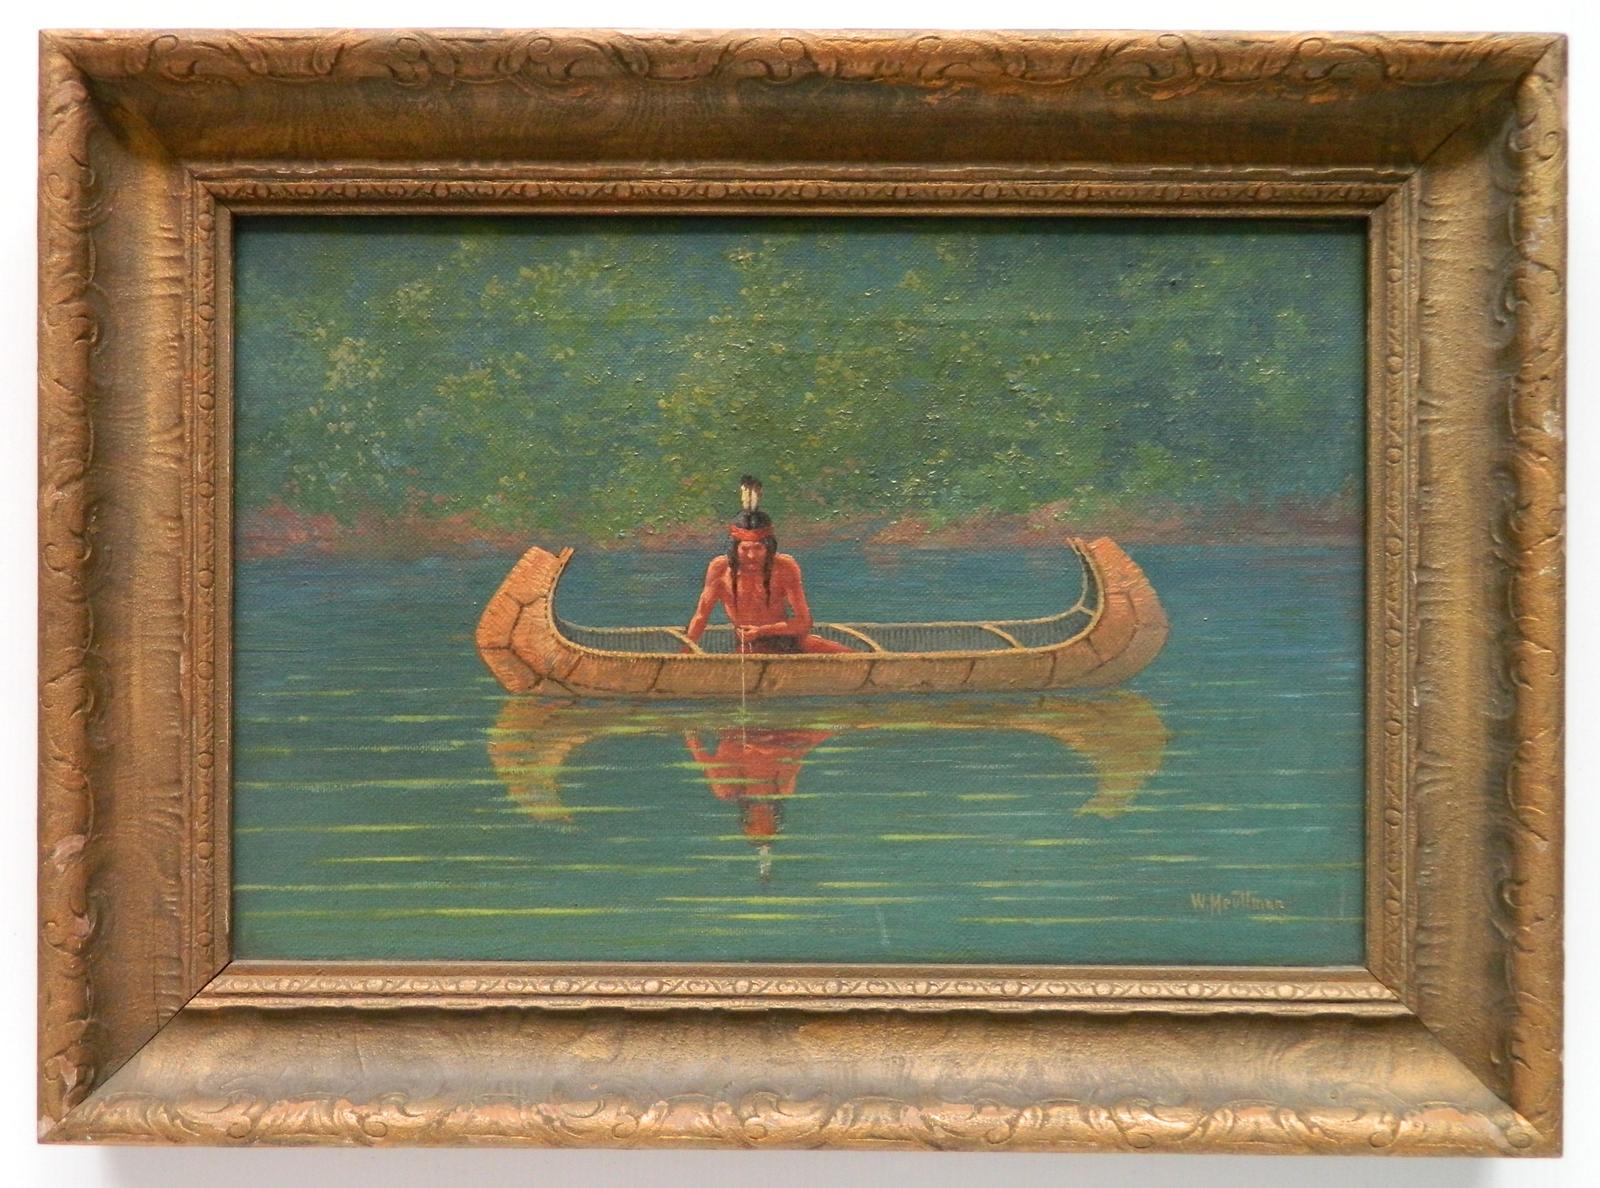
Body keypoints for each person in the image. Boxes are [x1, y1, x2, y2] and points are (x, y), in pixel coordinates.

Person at [681, 475, 855, 654]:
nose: (751, 556)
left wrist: (762, 630)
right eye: (745, 549)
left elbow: (804, 622)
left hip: (791, 641)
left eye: (758, 548)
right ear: (734, 548)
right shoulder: (719, 569)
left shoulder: (784, 566)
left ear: (768, 547)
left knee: (852, 657)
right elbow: (701, 617)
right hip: (751, 647)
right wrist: (684, 652)